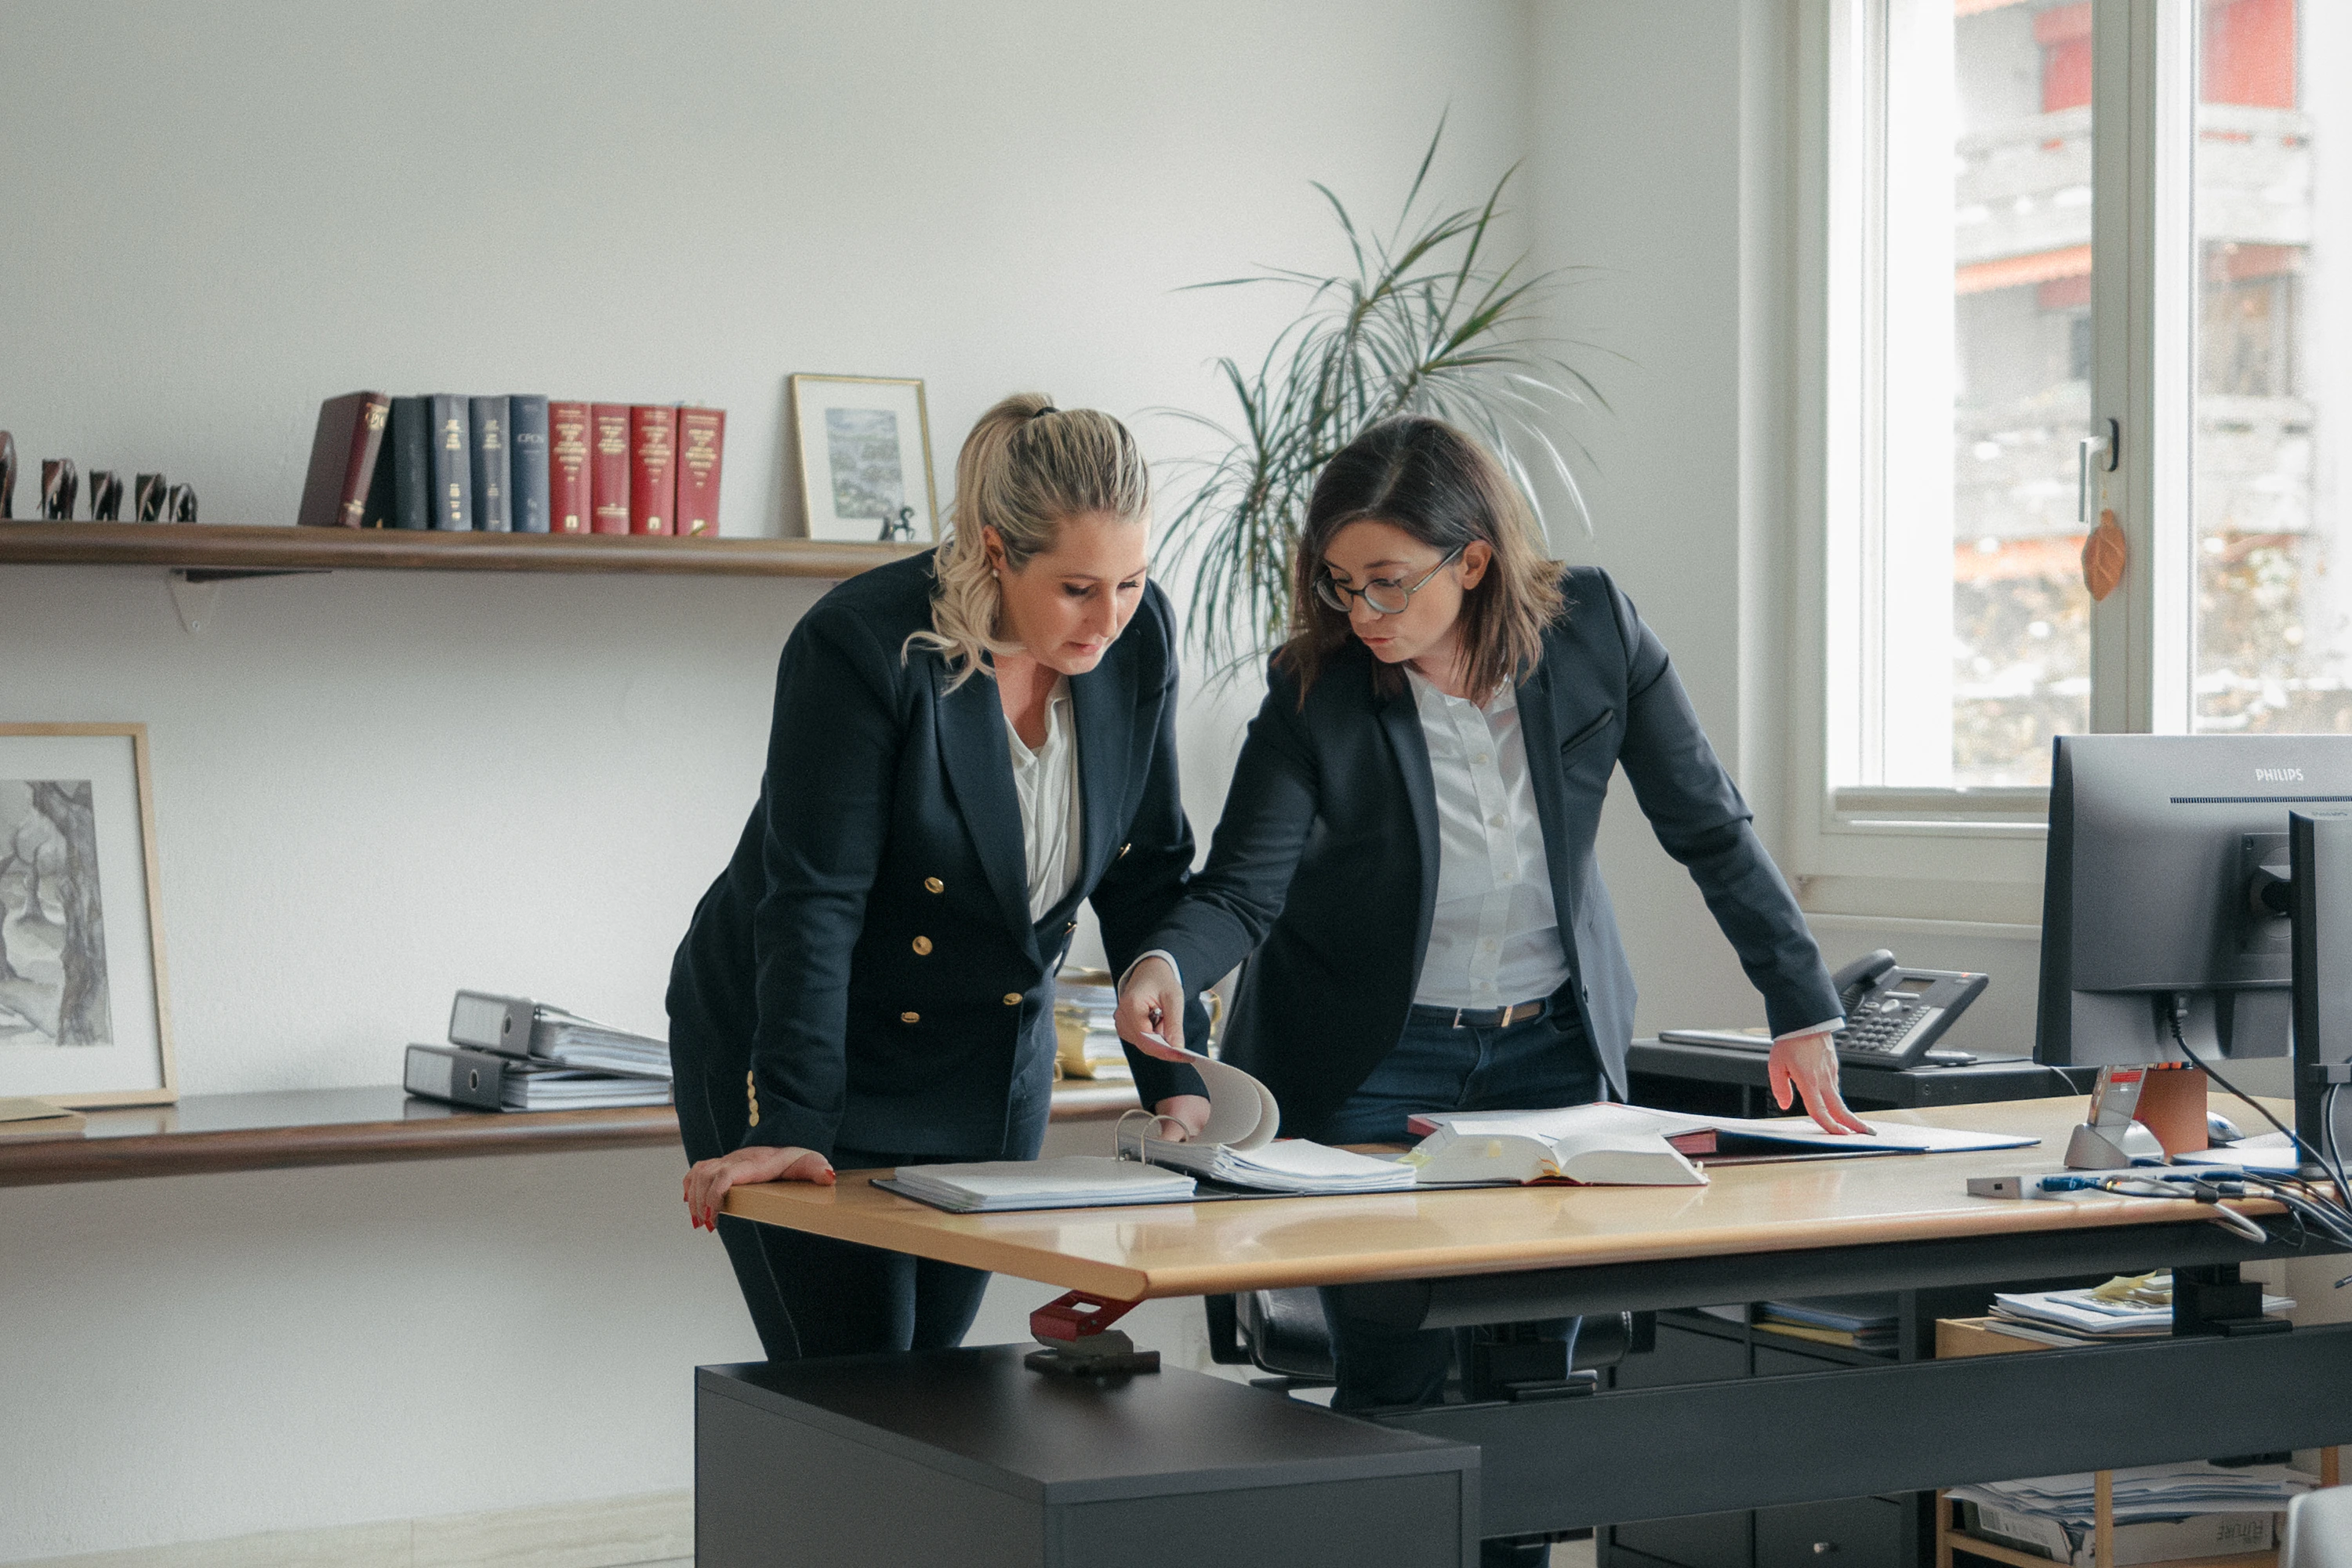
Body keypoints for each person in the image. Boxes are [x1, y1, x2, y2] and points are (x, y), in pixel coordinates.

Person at [1115, 416, 1857, 1563]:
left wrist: (1799, 1006)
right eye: (1341, 583)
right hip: (1372, 1066)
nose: (1362, 613)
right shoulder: (1320, 690)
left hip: (1548, 1062)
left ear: (1473, 561)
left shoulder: (1594, 629)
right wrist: (1166, 965)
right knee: (1397, 1385)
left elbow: (1707, 826)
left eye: (1388, 583)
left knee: (1529, 1391)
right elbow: (1243, 892)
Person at [672, 393, 1210, 1362]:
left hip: (982, 1064)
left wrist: (1178, 1082)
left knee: (935, 1393)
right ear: (998, 550)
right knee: (857, 1387)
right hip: (807, 1044)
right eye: (1079, 588)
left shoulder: (1141, 639)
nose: (1110, 617)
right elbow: (815, 903)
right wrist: (790, 1118)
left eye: (1131, 581)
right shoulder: (863, 644)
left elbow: (1148, 869)